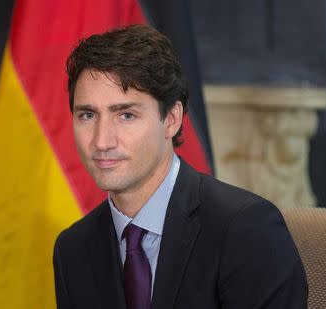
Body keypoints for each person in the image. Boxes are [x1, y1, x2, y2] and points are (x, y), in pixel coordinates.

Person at [53, 24, 308, 309]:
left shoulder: (245, 229)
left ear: (172, 119)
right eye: (87, 115)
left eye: (126, 115)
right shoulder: (72, 249)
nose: (101, 141)